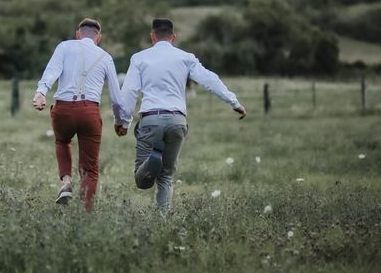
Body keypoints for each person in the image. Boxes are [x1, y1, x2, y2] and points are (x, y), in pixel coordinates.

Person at [118, 18, 246, 211]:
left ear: (152, 36)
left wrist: (124, 122)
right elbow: (209, 79)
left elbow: (129, 91)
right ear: (173, 37)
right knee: (166, 175)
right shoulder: (186, 58)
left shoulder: (139, 58)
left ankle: (153, 159)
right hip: (178, 120)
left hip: (151, 119)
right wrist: (233, 101)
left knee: (141, 180)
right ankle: (163, 220)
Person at [33, 18, 127, 210]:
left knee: (62, 141)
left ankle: (66, 182)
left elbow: (52, 71)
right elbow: (117, 98)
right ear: (98, 38)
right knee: (90, 170)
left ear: (78, 34)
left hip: (63, 110)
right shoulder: (106, 57)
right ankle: (85, 213)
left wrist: (41, 92)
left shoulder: (65, 47)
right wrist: (120, 122)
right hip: (89, 112)